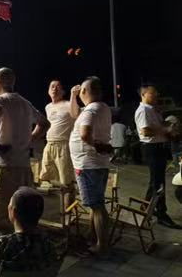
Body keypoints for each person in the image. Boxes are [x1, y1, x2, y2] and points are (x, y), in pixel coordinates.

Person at [0, 68, 50, 230]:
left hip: (5, 166)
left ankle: (6, 242)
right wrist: (31, 139)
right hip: (24, 167)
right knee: (23, 212)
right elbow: (44, 123)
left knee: (1, 216)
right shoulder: (24, 102)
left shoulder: (0, 99)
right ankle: (21, 240)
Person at [69, 76, 112, 255]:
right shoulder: (103, 108)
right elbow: (74, 114)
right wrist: (73, 96)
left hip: (87, 165)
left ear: (85, 91)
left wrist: (95, 144)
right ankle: (93, 236)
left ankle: (102, 245)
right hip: (98, 164)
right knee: (96, 203)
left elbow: (85, 134)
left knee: (97, 206)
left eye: (81, 91)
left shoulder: (90, 110)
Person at [135, 85, 180, 228]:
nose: (156, 95)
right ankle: (162, 214)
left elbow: (159, 127)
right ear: (143, 94)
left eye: (156, 92)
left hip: (159, 148)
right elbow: (145, 132)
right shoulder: (143, 110)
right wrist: (165, 129)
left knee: (155, 181)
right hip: (152, 149)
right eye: (152, 93)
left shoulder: (153, 110)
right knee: (158, 184)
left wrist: (168, 127)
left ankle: (145, 208)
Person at [40, 80, 78, 206]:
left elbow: (76, 115)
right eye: (52, 86)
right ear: (48, 91)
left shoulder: (68, 104)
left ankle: (68, 212)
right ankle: (56, 208)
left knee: (67, 182)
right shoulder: (48, 107)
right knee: (46, 177)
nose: (54, 89)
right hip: (49, 145)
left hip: (63, 146)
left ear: (63, 91)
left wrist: (73, 95)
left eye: (58, 87)